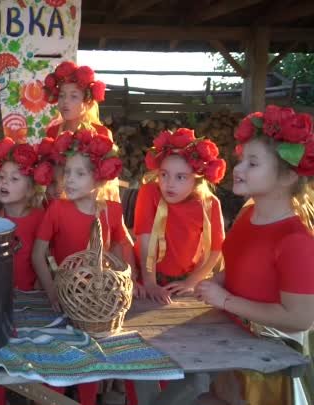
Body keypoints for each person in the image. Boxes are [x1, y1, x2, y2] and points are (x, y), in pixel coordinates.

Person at [196, 105, 314, 405]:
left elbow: (301, 318)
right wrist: (218, 282)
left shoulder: (296, 241)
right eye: (241, 160)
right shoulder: (248, 218)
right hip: (233, 348)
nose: (238, 169)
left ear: (287, 176)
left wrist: (225, 300)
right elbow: (242, 268)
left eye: (253, 163)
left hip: (268, 370)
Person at [32, 127, 136, 312]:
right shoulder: (57, 209)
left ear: (99, 179)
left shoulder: (111, 210)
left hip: (97, 292)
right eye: (68, 172)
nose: (69, 180)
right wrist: (52, 292)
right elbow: (37, 255)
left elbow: (117, 255)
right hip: (65, 289)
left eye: (80, 174)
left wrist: (121, 285)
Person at [134, 128, 226, 303]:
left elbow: (215, 249)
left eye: (181, 177)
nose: (169, 184)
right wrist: (150, 283)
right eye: (164, 175)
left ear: (197, 180)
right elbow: (145, 239)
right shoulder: (149, 193)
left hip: (184, 279)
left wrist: (192, 281)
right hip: (145, 275)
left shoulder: (210, 203)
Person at [0, 137, 53, 291]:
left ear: (30, 190)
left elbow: (50, 258)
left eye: (14, 179)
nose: (4, 182)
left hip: (34, 297)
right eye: (1, 177)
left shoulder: (41, 219)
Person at [41, 61, 112, 200]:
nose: (65, 102)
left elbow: (104, 176)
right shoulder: (53, 131)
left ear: (87, 102)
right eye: (62, 95)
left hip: (89, 200)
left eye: (73, 96)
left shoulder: (101, 133)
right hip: (56, 198)